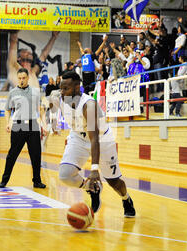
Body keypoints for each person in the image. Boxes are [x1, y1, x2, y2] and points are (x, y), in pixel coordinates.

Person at [48, 71, 136, 217]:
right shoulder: (58, 96)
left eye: (66, 89)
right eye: (61, 88)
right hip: (78, 137)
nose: (62, 92)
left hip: (101, 139)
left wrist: (94, 170)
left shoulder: (88, 105)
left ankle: (126, 198)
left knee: (114, 181)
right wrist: (53, 119)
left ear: (77, 87)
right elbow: (51, 102)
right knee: (65, 175)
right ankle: (92, 188)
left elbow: (94, 138)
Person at [0, 68, 47, 189]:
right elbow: (8, 110)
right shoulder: (13, 92)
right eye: (19, 78)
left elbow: (40, 110)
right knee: (12, 155)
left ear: (28, 78)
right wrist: (8, 123)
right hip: (18, 125)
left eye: (23, 78)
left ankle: (37, 181)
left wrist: (44, 125)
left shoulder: (36, 92)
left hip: (33, 125)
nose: (21, 80)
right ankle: (4, 180)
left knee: (36, 155)